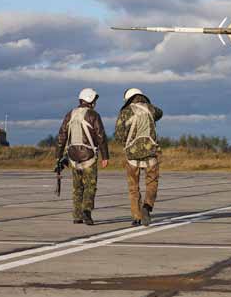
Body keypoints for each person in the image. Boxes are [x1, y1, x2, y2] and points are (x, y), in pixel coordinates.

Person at [56, 88, 109, 225]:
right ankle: (87, 211)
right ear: (91, 100)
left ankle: (77, 215)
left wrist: (58, 156)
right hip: (89, 157)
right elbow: (101, 136)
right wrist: (105, 156)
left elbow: (62, 136)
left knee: (77, 187)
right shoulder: (93, 115)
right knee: (90, 186)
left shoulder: (70, 114)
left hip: (73, 157)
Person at [115, 88, 163, 227]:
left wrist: (127, 142)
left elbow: (118, 135)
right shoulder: (151, 110)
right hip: (151, 153)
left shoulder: (124, 112)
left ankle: (136, 216)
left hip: (132, 155)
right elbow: (160, 113)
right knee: (152, 183)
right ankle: (147, 207)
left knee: (133, 186)